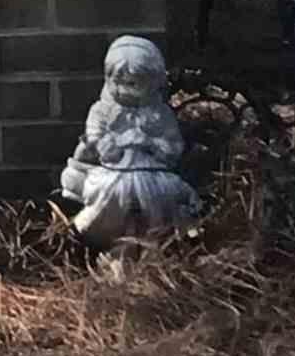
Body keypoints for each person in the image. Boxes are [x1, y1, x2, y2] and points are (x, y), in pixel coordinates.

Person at [59, 34, 200, 252]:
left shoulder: (160, 113)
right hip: (114, 171)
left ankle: (153, 246)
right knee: (114, 193)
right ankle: (108, 243)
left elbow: (173, 147)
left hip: (152, 173)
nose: (124, 89)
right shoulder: (102, 110)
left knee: (158, 196)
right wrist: (112, 144)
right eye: (118, 82)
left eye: (133, 84)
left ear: (153, 82)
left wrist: (149, 142)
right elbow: (96, 136)